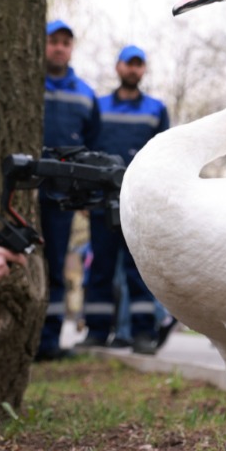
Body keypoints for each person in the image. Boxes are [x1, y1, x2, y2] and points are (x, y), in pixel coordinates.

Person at [82, 45, 171, 354]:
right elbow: (87, 150)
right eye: (128, 64)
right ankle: (96, 332)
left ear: (143, 70)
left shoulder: (156, 110)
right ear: (118, 67)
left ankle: (143, 334)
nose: (133, 70)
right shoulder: (98, 106)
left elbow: (164, 157)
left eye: (138, 65)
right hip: (101, 200)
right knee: (101, 268)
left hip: (139, 204)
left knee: (138, 268)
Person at [37, 19, 101, 361]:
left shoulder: (86, 95)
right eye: (53, 41)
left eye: (65, 42)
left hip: (61, 194)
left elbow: (92, 144)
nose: (59, 47)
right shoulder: (25, 82)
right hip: (24, 187)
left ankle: (47, 341)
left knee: (56, 263)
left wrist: (84, 194)